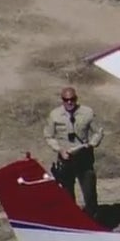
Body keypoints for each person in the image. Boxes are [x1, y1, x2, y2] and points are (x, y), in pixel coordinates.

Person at [43, 86, 103, 217]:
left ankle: (92, 219)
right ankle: (72, 218)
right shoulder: (55, 115)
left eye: (72, 99)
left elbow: (98, 131)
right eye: (66, 100)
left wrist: (92, 144)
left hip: (83, 158)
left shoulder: (87, 112)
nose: (69, 102)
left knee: (90, 193)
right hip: (65, 158)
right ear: (62, 100)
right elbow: (48, 136)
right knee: (66, 193)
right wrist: (59, 149)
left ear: (76, 98)